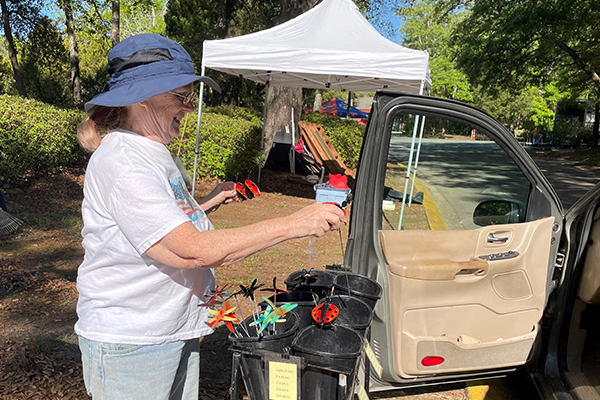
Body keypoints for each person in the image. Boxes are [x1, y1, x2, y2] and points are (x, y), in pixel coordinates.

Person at [75, 33, 345, 400]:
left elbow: (157, 225)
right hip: (133, 342)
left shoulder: (152, 152)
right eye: (180, 96)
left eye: (190, 96)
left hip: (168, 329)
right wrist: (293, 223)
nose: (188, 108)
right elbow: (189, 250)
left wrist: (207, 202)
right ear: (141, 98)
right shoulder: (124, 162)